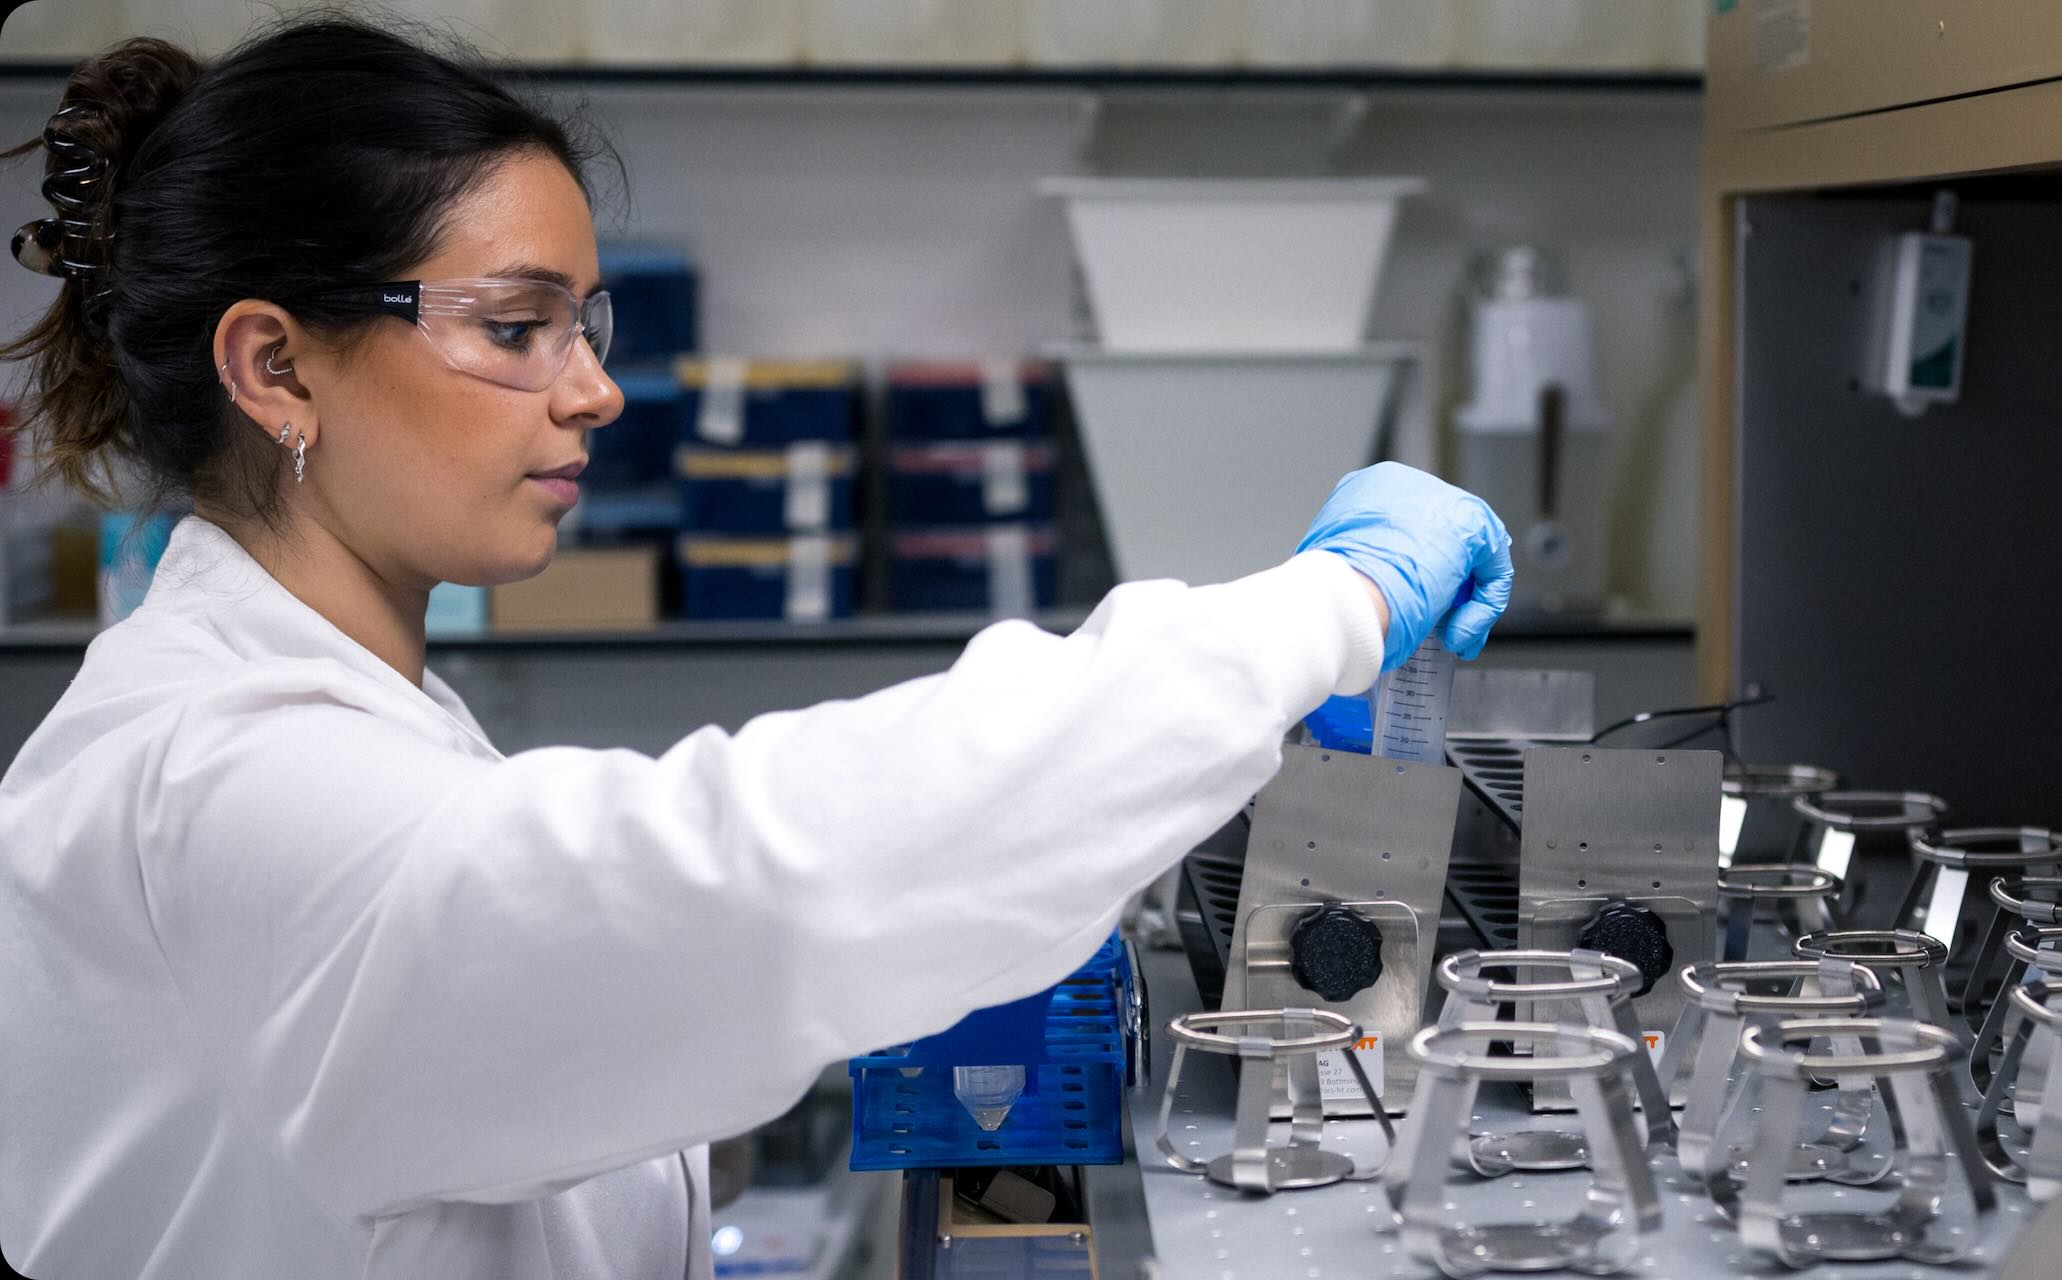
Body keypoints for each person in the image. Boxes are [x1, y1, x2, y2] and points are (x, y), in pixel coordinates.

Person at [0, 17, 1511, 1280]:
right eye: (516, 328)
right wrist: (1334, 606)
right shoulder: (215, 787)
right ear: (276, 364)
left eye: (588, 325)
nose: (593, 391)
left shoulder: (339, 712)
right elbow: (769, 868)